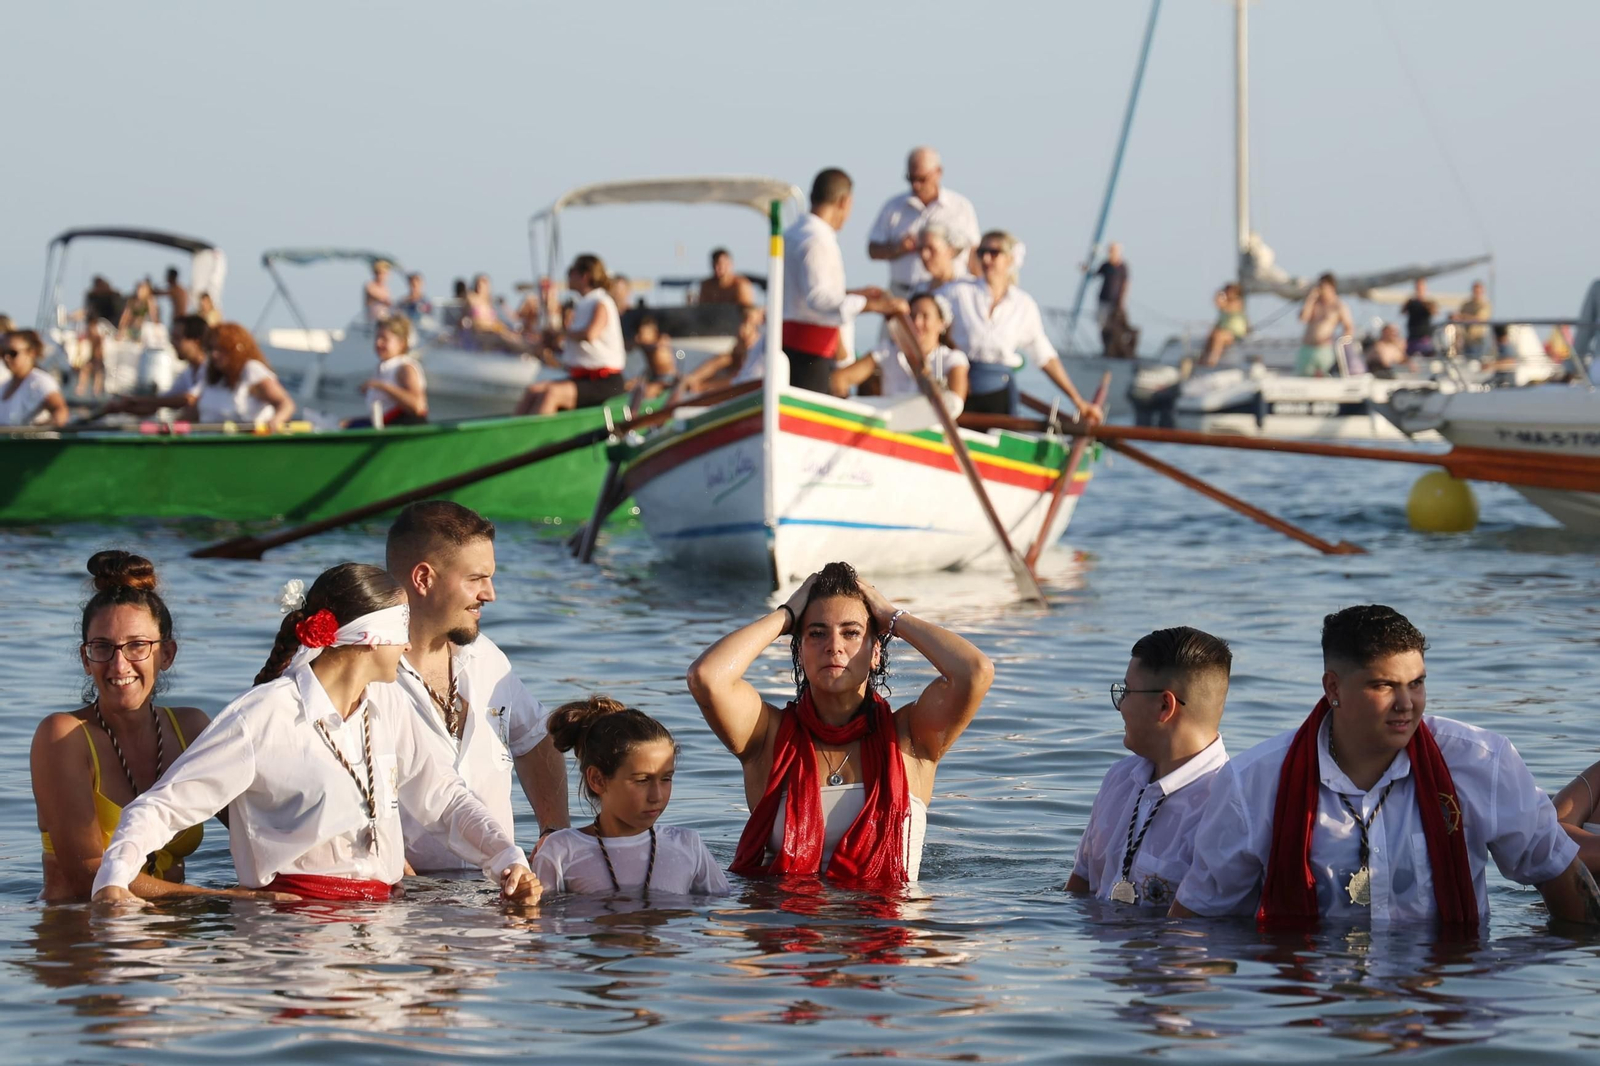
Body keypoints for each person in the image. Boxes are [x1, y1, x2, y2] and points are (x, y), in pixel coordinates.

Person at [89, 562, 540, 905]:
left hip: (383, 919)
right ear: (367, 638)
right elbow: (160, 808)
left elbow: (444, 797)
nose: (407, 645)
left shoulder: (389, 705)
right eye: (401, 631)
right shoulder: (264, 716)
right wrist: (112, 883)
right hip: (291, 932)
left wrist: (507, 860)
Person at [1171, 605, 1600, 927]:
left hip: (1447, 991)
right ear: (1333, 687)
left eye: (1417, 684)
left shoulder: (1483, 762)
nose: (1406, 704)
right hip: (1306, 1001)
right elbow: (1198, 918)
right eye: (1384, 685)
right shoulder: (1253, 782)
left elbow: (1559, 873)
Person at [686, 561, 994, 883]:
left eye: (851, 633)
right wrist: (786, 615)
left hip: (893, 927)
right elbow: (707, 677)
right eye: (816, 634)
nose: (834, 646)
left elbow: (974, 672)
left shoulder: (909, 738)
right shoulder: (768, 737)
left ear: (875, 653)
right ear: (800, 651)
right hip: (788, 927)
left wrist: (892, 618)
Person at [31, 551, 278, 903]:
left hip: (173, 936)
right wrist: (221, 897)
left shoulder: (191, 729)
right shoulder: (63, 736)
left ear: (167, 654)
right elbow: (90, 878)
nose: (119, 665)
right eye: (103, 647)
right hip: (82, 938)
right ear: (86, 659)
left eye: (137, 646)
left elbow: (261, 827)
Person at [385, 502, 569, 874]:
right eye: (476, 579)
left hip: (498, 891)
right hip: (402, 906)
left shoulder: (486, 658)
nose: (490, 594)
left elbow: (535, 738)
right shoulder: (362, 669)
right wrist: (382, 861)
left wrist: (555, 833)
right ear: (423, 578)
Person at [1065, 627, 1231, 908]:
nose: (1120, 706)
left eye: (1127, 691)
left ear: (1165, 705)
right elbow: (1078, 889)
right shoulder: (1120, 779)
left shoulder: (1225, 807)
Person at [533, 696, 729, 897]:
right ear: (598, 780)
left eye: (666, 779)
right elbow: (541, 920)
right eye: (642, 780)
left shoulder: (688, 846)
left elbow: (723, 914)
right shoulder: (560, 851)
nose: (657, 796)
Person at [942, 231, 1104, 423]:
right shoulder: (958, 292)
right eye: (982, 252)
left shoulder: (1023, 305)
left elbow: (1045, 357)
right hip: (958, 387)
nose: (986, 258)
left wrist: (1078, 401)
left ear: (1010, 259)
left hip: (998, 394)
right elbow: (927, 314)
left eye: (994, 252)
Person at [777, 168, 906, 394]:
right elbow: (818, 299)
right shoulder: (816, 240)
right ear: (844, 201)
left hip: (792, 345)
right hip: (810, 353)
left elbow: (802, 294)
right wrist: (872, 305)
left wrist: (857, 294)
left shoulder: (793, 234)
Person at [516, 254, 627, 414]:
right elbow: (576, 343)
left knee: (551, 394)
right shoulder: (583, 304)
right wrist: (553, 342)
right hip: (583, 378)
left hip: (604, 381)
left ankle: (536, 437)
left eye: (571, 272)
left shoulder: (601, 302)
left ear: (585, 276)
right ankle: (510, 434)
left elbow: (590, 334)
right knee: (534, 390)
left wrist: (561, 333)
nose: (567, 276)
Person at [867, 146, 981, 298]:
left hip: (951, 292)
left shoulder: (961, 207)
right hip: (903, 293)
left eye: (922, 179)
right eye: (911, 179)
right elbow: (873, 250)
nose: (916, 185)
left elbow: (973, 254)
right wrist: (897, 248)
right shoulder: (893, 207)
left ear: (938, 173)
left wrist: (981, 292)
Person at [830, 291, 969, 413]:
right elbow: (839, 379)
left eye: (925, 316)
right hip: (885, 426)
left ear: (941, 323)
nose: (917, 322)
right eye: (912, 316)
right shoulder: (888, 350)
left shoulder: (952, 358)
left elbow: (955, 403)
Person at [99, 315, 211, 419]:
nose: (172, 343)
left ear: (196, 341)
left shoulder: (210, 369)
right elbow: (156, 405)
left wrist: (136, 400)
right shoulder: (188, 373)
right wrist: (123, 408)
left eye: (177, 338)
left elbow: (188, 400)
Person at [195, 322, 295, 430]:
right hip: (210, 442)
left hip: (248, 442)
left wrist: (275, 421)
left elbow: (285, 404)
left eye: (221, 349)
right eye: (211, 349)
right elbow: (192, 413)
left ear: (237, 349)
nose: (214, 354)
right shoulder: (209, 373)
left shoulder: (251, 370)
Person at [352, 316, 427, 427]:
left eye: (384, 339)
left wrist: (381, 386)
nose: (378, 343)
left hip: (405, 428)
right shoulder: (383, 367)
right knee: (343, 424)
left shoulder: (405, 368)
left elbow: (418, 406)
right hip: (385, 424)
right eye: (377, 337)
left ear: (401, 343)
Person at [674, 306, 763, 399]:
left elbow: (742, 379)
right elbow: (729, 359)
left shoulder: (761, 343)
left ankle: (691, 382)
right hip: (739, 382)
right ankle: (689, 379)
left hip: (749, 388)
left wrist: (703, 386)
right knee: (724, 359)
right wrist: (693, 379)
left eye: (750, 322)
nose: (744, 330)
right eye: (744, 321)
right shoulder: (740, 344)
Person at [0, 330, 69, 427]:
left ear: (31, 352)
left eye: (12, 353)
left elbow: (60, 412)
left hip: (29, 441)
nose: (6, 358)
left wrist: (40, 430)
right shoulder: (4, 386)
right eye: (3, 353)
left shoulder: (40, 382)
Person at [1295, 273, 1354, 377]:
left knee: (1327, 378)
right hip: (1307, 348)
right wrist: (1310, 299)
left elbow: (1349, 327)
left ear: (1331, 287)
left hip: (1325, 349)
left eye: (1323, 287)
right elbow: (1303, 319)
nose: (1321, 290)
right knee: (1302, 377)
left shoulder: (1338, 306)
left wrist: (1341, 343)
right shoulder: (1314, 303)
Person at [627, 312, 679, 397]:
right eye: (640, 333)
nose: (641, 337)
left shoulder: (662, 340)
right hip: (653, 376)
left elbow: (658, 346)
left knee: (648, 392)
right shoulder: (642, 344)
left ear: (654, 332)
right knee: (630, 385)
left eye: (643, 333)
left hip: (667, 378)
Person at [1090, 242, 1130, 351]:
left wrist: (1122, 301)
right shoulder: (1106, 265)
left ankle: (1113, 348)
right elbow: (1095, 274)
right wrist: (1087, 269)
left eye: (1113, 251)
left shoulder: (1123, 267)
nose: (1110, 253)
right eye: (1110, 251)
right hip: (1103, 299)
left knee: (1115, 325)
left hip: (1116, 302)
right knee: (1102, 324)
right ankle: (1106, 347)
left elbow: (1126, 284)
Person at [1200, 284, 1248, 367]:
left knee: (1219, 336)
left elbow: (1223, 306)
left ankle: (1213, 359)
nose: (1228, 293)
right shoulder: (1226, 303)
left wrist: (1219, 297)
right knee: (1212, 334)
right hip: (1223, 331)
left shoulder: (1237, 302)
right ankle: (1203, 358)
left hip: (1235, 334)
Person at [1451, 280, 1492, 357]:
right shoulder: (1466, 304)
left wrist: (1462, 316)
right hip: (1465, 340)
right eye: (1475, 291)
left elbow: (1479, 319)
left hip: (1477, 340)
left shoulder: (1485, 305)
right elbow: (1458, 316)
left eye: (1478, 291)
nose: (1477, 293)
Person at [917, 225, 961, 291]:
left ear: (950, 251)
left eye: (931, 249)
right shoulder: (919, 289)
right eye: (920, 249)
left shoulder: (967, 289)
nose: (924, 255)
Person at [1401, 278, 1437, 358]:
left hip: (1424, 337)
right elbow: (1402, 312)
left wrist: (1424, 303)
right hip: (1413, 336)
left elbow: (1434, 312)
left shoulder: (1428, 303)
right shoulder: (1410, 302)